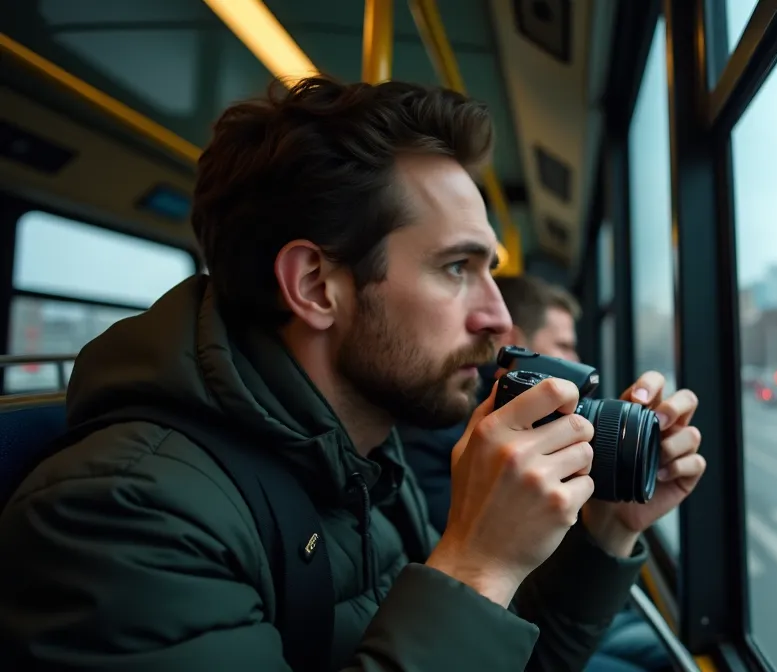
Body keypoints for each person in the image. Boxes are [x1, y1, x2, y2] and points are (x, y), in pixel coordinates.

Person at [0, 77, 707, 671]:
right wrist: (476, 567)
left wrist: (607, 532)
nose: (497, 319)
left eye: (490, 270)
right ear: (315, 285)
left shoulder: (361, 459)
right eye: (456, 269)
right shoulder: (123, 518)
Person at [399, 275, 676, 672]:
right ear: (519, 348)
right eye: (564, 346)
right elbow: (506, 604)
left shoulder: (388, 469)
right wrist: (480, 560)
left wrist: (609, 526)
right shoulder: (443, 442)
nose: (576, 358)